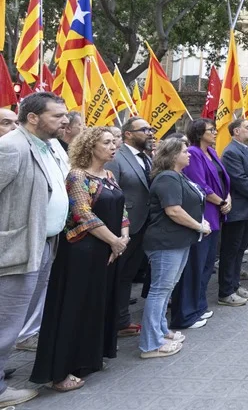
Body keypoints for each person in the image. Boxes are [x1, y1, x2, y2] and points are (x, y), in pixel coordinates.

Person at [30, 127, 127, 392]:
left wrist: (123, 238)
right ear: (90, 146)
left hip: (109, 249)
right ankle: (61, 371)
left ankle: (88, 359)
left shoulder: (108, 175)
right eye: (106, 142)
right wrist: (114, 241)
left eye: (113, 142)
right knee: (75, 306)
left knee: (97, 305)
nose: (113, 146)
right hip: (82, 251)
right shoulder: (77, 176)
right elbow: (83, 214)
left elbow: (123, 209)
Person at [0, 93, 69, 407]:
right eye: (57, 116)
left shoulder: (50, 146)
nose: (64, 121)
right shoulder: (11, 147)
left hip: (44, 244)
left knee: (18, 321)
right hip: (16, 249)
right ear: (32, 118)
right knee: (6, 322)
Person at [140, 138, 211, 359]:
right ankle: (150, 344)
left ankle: (161, 331)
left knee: (166, 289)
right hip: (165, 243)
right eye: (183, 151)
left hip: (178, 241)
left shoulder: (178, 175)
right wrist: (199, 225)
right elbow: (173, 211)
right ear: (172, 156)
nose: (189, 154)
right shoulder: (167, 177)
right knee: (160, 290)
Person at [173, 119, 231, 329]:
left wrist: (228, 198)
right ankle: (187, 311)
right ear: (198, 133)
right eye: (210, 130)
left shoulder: (213, 152)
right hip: (204, 212)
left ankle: (199, 305)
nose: (215, 132)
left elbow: (224, 179)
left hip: (217, 212)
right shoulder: (195, 153)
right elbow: (200, 184)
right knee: (196, 265)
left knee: (207, 264)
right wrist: (220, 201)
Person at [106, 117, 155, 338]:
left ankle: (122, 320)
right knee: (116, 276)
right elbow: (109, 192)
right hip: (123, 228)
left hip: (144, 225)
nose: (150, 133)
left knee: (128, 275)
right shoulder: (117, 157)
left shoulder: (147, 157)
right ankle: (110, 321)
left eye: (150, 129)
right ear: (128, 134)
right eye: (144, 129)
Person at [219, 119, 248, 307]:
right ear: (236, 131)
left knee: (240, 250)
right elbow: (239, 179)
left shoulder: (247, 149)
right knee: (231, 250)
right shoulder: (231, 152)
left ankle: (235, 285)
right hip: (238, 208)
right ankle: (225, 291)